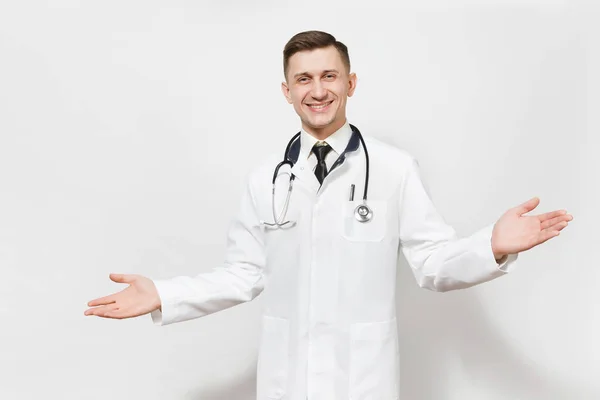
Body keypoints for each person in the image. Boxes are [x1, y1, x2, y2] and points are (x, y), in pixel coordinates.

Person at [85, 31, 573, 399]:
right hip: (286, 378)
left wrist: (492, 245)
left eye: (328, 76)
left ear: (350, 82)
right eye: (303, 79)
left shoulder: (394, 168)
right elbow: (244, 275)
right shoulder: (266, 179)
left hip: (362, 379)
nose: (317, 90)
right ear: (287, 91)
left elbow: (432, 262)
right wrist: (163, 295)